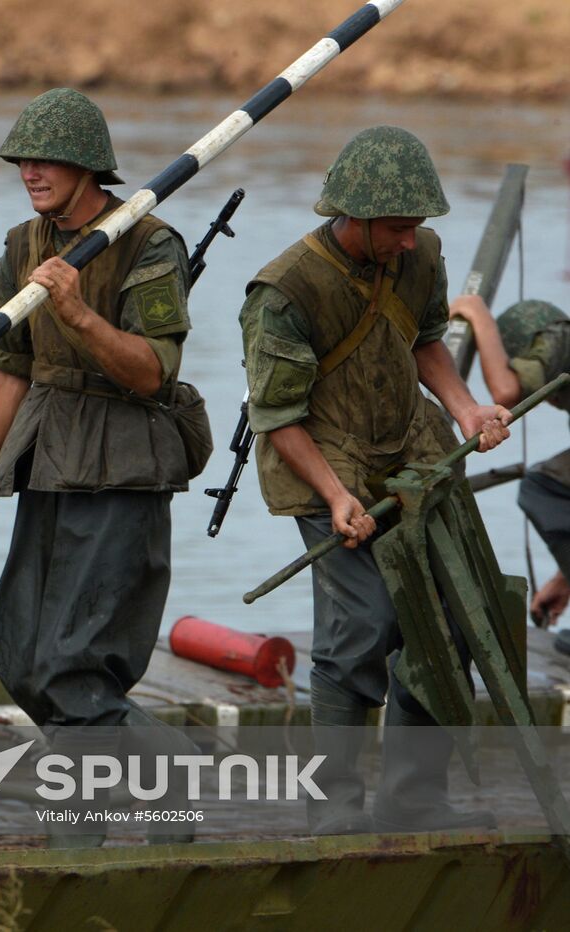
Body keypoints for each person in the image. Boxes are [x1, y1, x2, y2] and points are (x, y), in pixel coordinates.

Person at [0, 88, 199, 843]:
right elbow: (9, 370)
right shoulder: (23, 247)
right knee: (22, 657)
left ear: (89, 167)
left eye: (46, 159)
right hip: (47, 461)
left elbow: (152, 372)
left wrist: (80, 312)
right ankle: (128, 794)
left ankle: (94, 824)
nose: (30, 171)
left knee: (76, 668)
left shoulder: (151, 244)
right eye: (23, 158)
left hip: (123, 468)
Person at [240, 125, 513, 834]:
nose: (409, 242)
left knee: (450, 620)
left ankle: (415, 800)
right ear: (352, 218)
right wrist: (337, 499)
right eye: (397, 228)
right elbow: (277, 417)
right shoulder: (284, 292)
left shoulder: (419, 257)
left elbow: (425, 342)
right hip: (327, 464)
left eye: (417, 227)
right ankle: (333, 812)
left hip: (412, 454)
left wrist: (467, 410)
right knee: (361, 626)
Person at [449, 295, 570, 643]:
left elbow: (506, 391)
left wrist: (478, 314)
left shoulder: (556, 339)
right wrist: (564, 578)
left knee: (541, 487)